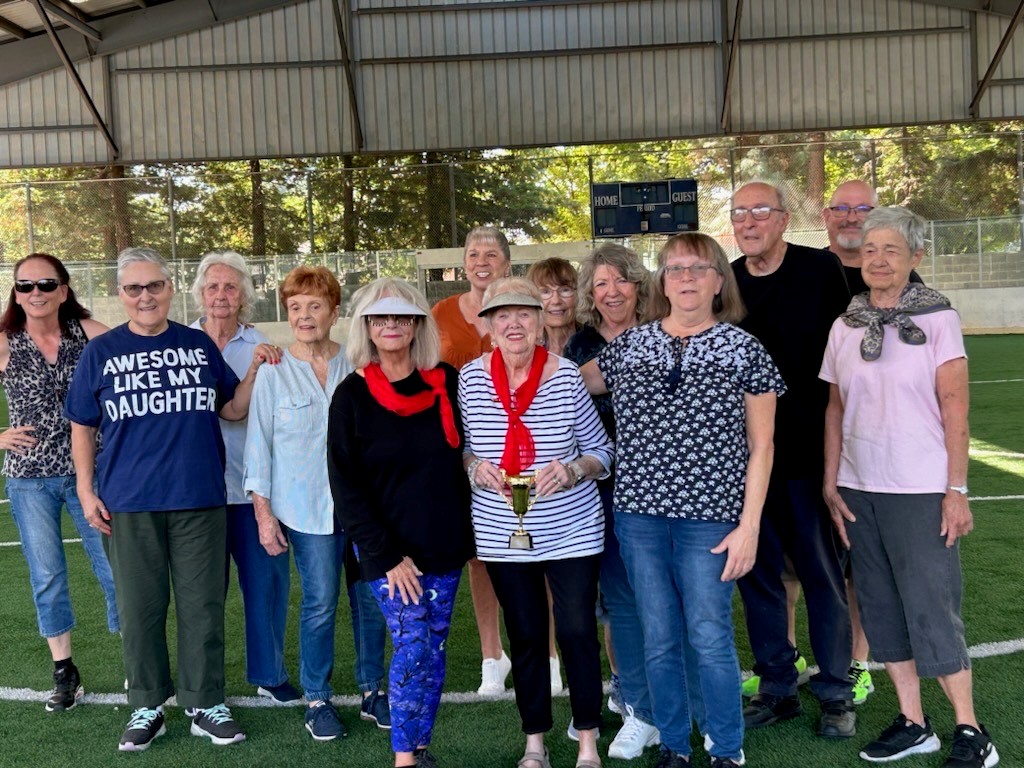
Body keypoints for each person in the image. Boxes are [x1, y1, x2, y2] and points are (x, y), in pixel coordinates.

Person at [580, 233, 783, 768]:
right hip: (639, 517)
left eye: (699, 267)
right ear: (663, 283)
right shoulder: (629, 347)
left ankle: (727, 747)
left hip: (711, 521)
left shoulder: (745, 349)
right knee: (659, 634)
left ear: (719, 280)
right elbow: (563, 386)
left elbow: (762, 448)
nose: (687, 278)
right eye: (675, 269)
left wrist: (750, 527)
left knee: (708, 634)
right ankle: (673, 743)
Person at [65, 246, 266, 751]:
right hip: (128, 502)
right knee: (141, 609)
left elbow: (233, 410)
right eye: (134, 288)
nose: (145, 296)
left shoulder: (198, 345)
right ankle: (147, 705)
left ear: (170, 289)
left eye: (154, 286)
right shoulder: (102, 351)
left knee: (202, 606)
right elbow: (82, 426)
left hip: (199, 497)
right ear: (121, 295)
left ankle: (204, 703)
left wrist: (255, 369)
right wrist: (87, 491)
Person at [821, 207, 999, 768]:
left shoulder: (940, 319)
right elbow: (835, 408)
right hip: (858, 488)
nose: (878, 259)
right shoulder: (843, 325)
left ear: (916, 257)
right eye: (870, 249)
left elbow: (954, 407)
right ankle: (913, 722)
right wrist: (832, 482)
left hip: (920, 487)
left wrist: (956, 488)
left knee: (931, 607)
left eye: (892, 250)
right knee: (878, 607)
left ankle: (971, 731)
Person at [459, 277, 612, 768]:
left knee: (575, 630)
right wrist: (472, 466)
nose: (514, 324)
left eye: (524, 313)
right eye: (502, 315)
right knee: (525, 635)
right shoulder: (470, 378)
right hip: (503, 531)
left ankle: (587, 740)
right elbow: (463, 447)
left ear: (540, 320)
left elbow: (602, 451)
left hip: (572, 527)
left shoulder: (566, 376)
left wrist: (571, 470)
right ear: (488, 325)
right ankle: (535, 743)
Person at [729, 181, 858, 739]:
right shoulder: (726, 281)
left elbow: (845, 365)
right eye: (739, 213)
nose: (749, 221)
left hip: (808, 458)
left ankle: (835, 692)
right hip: (746, 462)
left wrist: (840, 460)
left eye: (760, 211)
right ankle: (778, 686)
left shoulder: (821, 272)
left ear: (783, 220)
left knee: (822, 576)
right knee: (758, 580)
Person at [329, 278, 475, 768]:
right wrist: (388, 557)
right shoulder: (351, 396)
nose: (391, 325)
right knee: (412, 645)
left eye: (401, 316)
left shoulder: (446, 382)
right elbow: (345, 487)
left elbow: (468, 455)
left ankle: (420, 746)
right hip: (388, 553)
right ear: (366, 327)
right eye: (379, 317)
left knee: (433, 649)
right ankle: (404, 760)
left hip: (444, 543)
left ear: (416, 325)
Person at [242, 265, 390, 742]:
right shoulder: (273, 371)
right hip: (306, 511)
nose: (305, 316)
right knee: (321, 602)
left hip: (364, 511)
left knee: (370, 601)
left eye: (315, 306)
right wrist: (264, 516)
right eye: (296, 307)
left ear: (334, 311)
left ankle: (373, 689)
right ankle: (317, 698)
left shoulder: (359, 366)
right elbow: (258, 448)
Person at [0, 253, 119, 713]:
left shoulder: (89, 334)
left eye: (45, 284)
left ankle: (139, 663)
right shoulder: (6, 341)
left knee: (113, 568)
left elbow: (139, 356)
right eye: (25, 286)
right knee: (47, 576)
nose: (35, 293)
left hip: (91, 475)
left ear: (64, 290)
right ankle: (64, 671)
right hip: (30, 480)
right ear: (16, 293)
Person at [563, 244, 661, 761]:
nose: (612, 291)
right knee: (614, 600)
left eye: (620, 281)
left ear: (638, 286)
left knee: (655, 598)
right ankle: (629, 694)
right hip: (591, 489)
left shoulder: (662, 333)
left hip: (652, 487)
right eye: (601, 284)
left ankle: (661, 701)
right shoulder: (579, 344)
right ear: (591, 294)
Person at [188, 251, 296, 704]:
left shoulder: (264, 346)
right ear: (199, 293)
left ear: (245, 296)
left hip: (256, 491)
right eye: (213, 287)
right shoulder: (180, 343)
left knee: (267, 588)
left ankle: (269, 675)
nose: (221, 295)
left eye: (230, 287)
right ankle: (205, 685)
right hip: (198, 491)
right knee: (202, 597)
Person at [431, 225, 514, 696]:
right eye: (473, 253)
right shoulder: (442, 313)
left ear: (506, 260)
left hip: (524, 447)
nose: (481, 260)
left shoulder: (524, 306)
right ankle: (492, 657)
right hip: (460, 449)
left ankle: (546, 657)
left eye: (490, 253)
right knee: (478, 555)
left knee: (534, 551)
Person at [526, 255, 581, 694]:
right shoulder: (518, 349)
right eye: (546, 290)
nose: (556, 299)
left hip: (593, 486)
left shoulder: (593, 344)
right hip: (535, 493)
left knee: (591, 599)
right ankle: (550, 664)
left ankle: (612, 679)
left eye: (565, 288)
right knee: (534, 589)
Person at [823, 179, 923, 295]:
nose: (852, 219)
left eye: (864, 210)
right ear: (827, 217)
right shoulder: (804, 271)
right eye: (841, 209)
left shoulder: (901, 278)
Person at [527, 257, 580, 356]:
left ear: (577, 295)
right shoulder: (525, 349)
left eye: (565, 290)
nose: (556, 301)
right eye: (545, 292)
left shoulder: (596, 345)